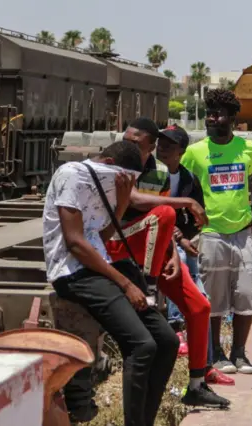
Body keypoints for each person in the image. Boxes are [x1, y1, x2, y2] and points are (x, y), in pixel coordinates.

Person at [42, 141, 179, 426]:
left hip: (98, 269)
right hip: (72, 273)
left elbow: (99, 239)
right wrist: (126, 285)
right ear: (105, 162)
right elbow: (76, 244)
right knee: (141, 346)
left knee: (166, 341)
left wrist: (122, 203)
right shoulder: (72, 175)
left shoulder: (105, 188)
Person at [106, 117, 231, 407]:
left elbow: (160, 222)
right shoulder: (115, 161)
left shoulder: (159, 172)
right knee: (167, 213)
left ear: (149, 146)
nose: (128, 144)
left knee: (199, 308)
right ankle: (149, 290)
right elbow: (135, 201)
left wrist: (173, 253)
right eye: (126, 137)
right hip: (115, 245)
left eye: (135, 141)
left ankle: (197, 385)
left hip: (147, 248)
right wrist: (186, 203)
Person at [180, 89, 252, 375]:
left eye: (217, 113)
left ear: (232, 118)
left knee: (246, 293)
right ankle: (216, 352)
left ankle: (240, 352)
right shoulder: (195, 152)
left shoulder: (248, 149)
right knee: (214, 297)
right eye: (209, 112)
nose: (211, 118)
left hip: (243, 233)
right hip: (211, 233)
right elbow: (184, 188)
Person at [157, 124, 236, 387]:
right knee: (190, 283)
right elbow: (152, 213)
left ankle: (204, 365)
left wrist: (187, 237)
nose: (162, 148)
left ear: (181, 151)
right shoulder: (151, 175)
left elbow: (196, 216)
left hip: (176, 243)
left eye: (169, 145)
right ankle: (179, 329)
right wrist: (178, 237)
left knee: (201, 298)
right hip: (156, 245)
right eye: (160, 143)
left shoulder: (188, 179)